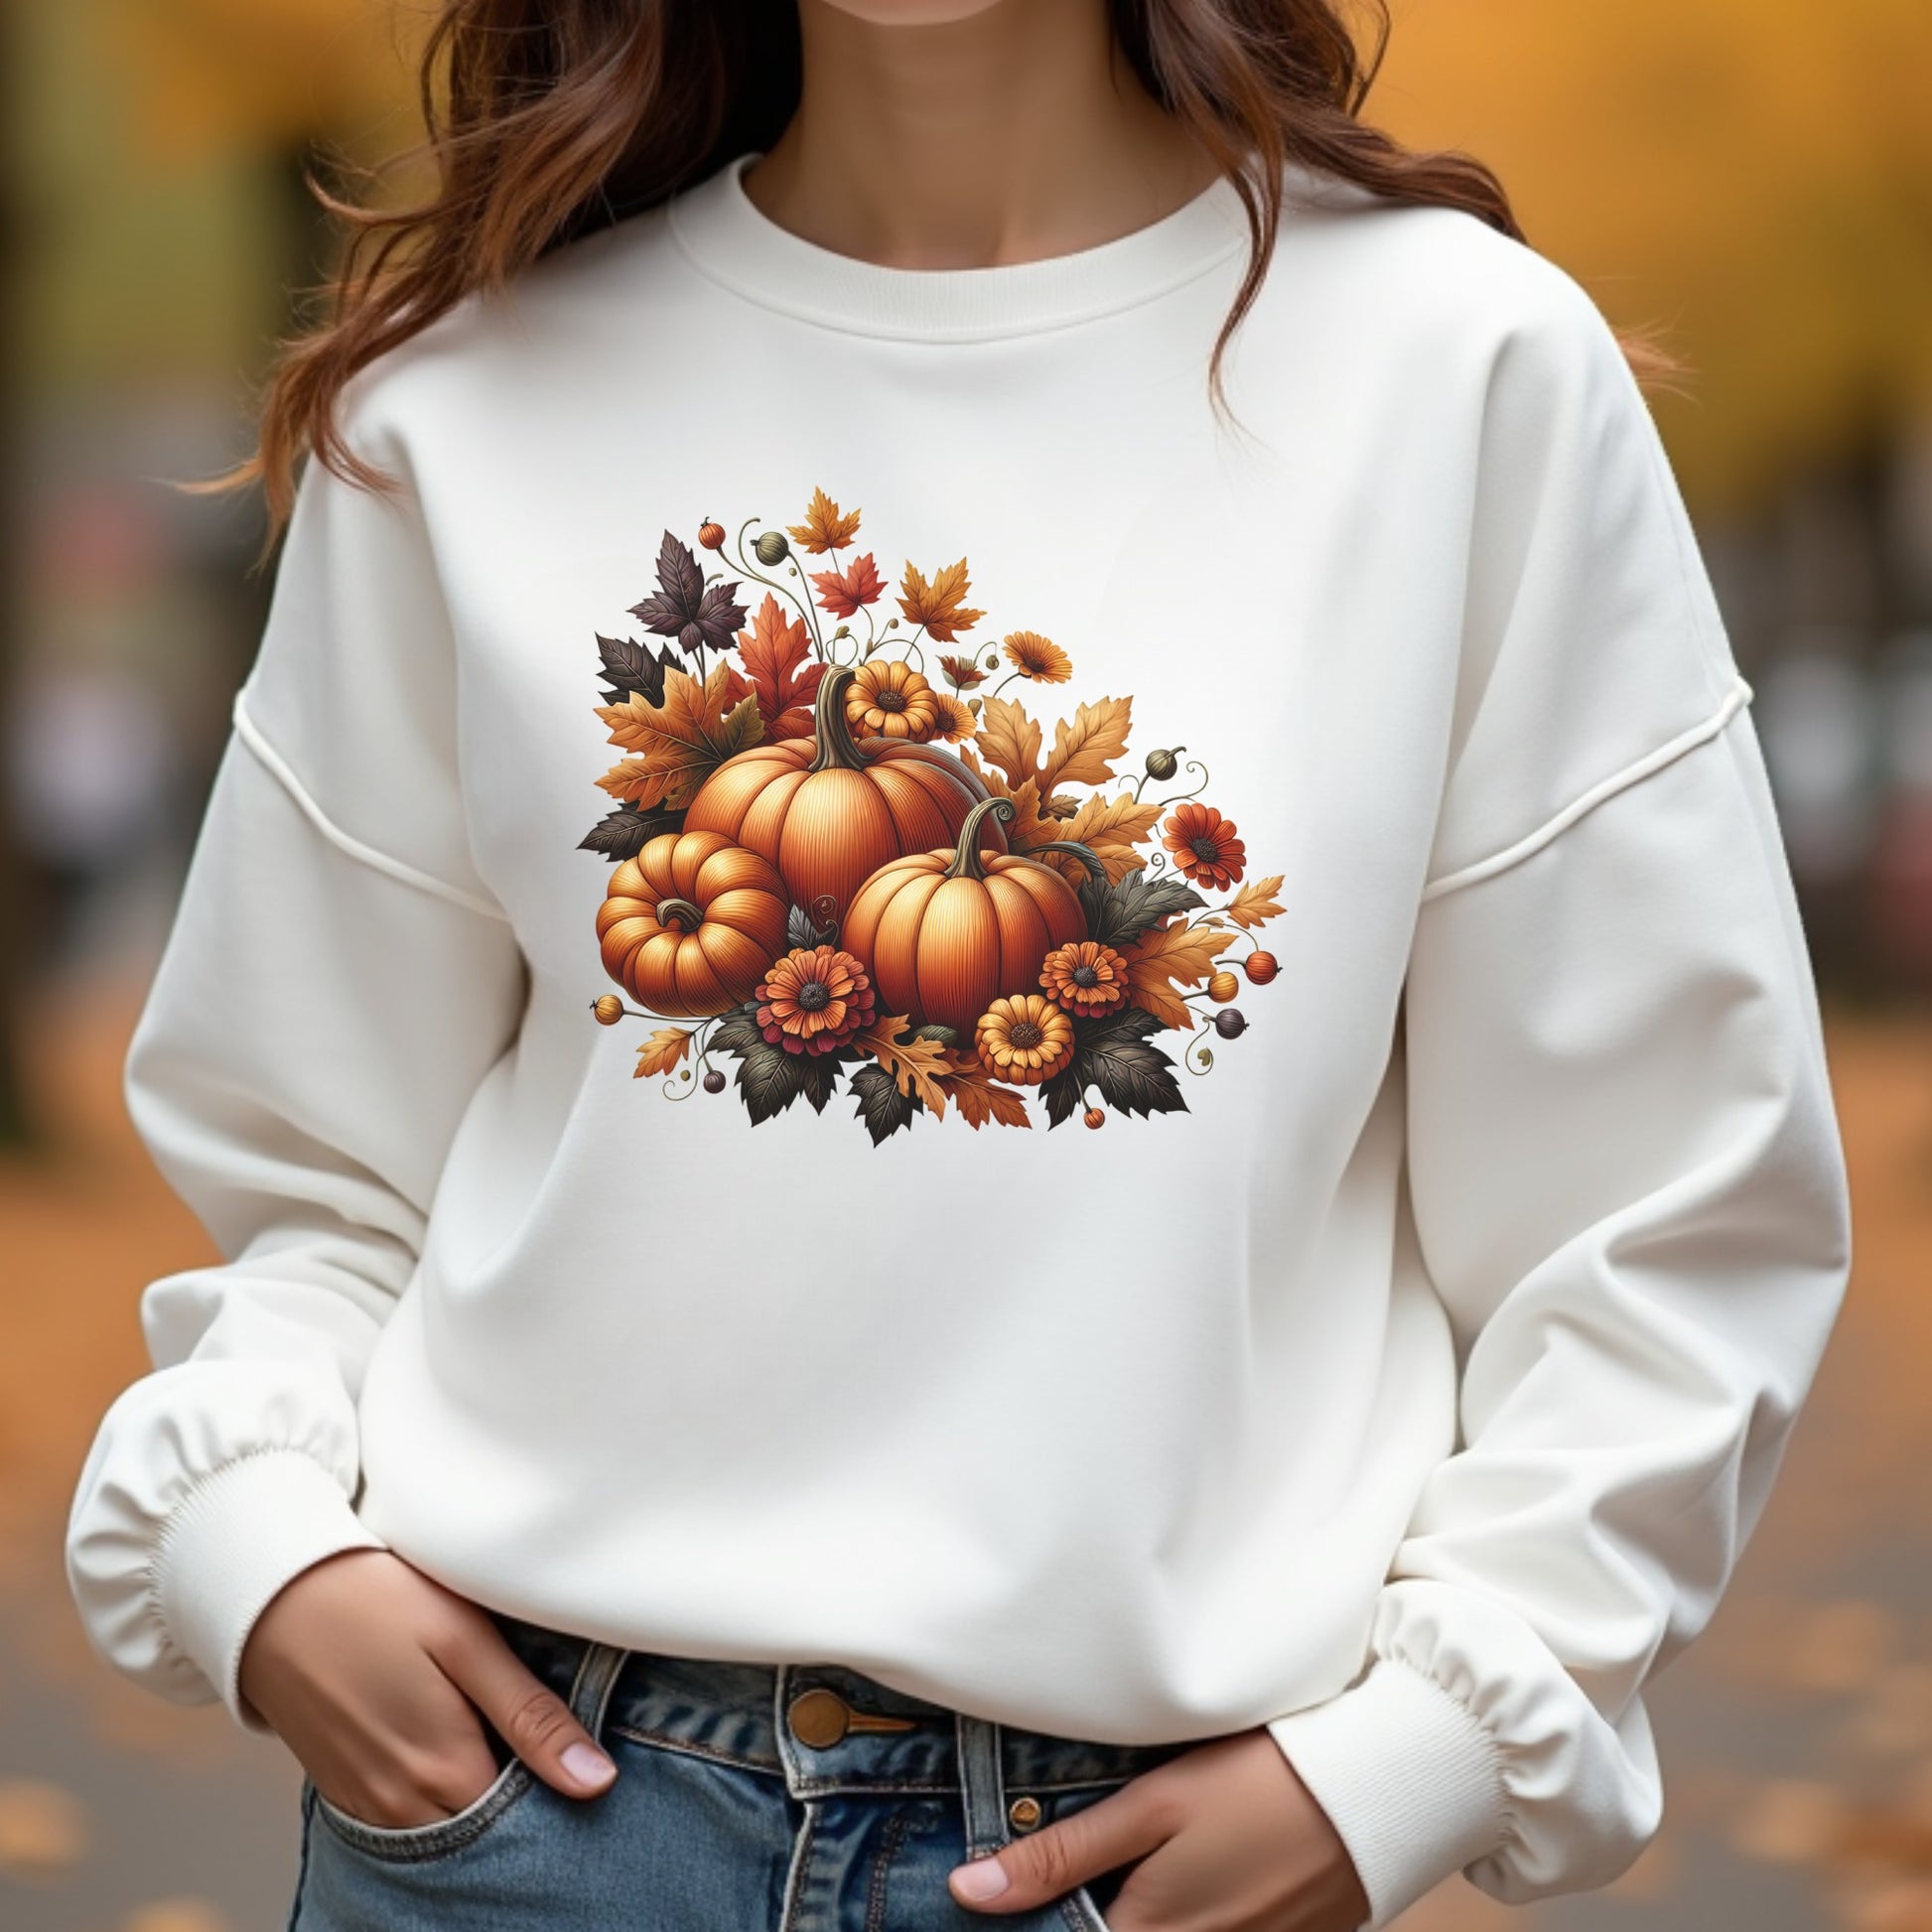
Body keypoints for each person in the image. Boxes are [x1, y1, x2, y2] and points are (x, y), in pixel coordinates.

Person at [65, 3, 1852, 1929]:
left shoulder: (1461, 371)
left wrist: (1426, 1745)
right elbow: (312, 1158)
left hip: (1161, 1854)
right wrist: (257, 1544)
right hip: (521, 1829)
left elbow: (1666, 1196)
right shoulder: (469, 400)